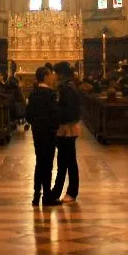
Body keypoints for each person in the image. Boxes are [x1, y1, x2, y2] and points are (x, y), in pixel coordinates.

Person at [26, 66, 60, 207]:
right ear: (45, 76)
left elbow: (28, 116)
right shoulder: (50, 94)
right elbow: (55, 114)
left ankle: (36, 196)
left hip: (37, 132)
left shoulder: (33, 94)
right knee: (47, 164)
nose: (52, 76)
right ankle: (46, 196)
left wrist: (36, 123)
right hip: (49, 132)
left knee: (39, 163)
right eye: (50, 74)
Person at [50, 62, 81, 204]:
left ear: (61, 73)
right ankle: (56, 192)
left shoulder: (68, 87)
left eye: (55, 73)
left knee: (68, 162)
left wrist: (55, 115)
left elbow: (68, 110)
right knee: (63, 162)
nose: (54, 76)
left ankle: (71, 192)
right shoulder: (68, 86)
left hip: (67, 128)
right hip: (65, 128)